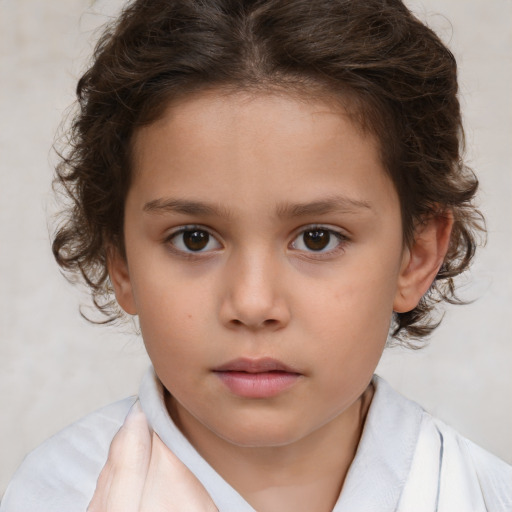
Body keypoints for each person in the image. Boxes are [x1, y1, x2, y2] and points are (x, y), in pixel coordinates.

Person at [1, 0, 511, 510]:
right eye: (194, 239)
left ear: (415, 256)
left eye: (317, 238)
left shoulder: (487, 495)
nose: (252, 303)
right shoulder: (51, 494)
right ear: (122, 261)